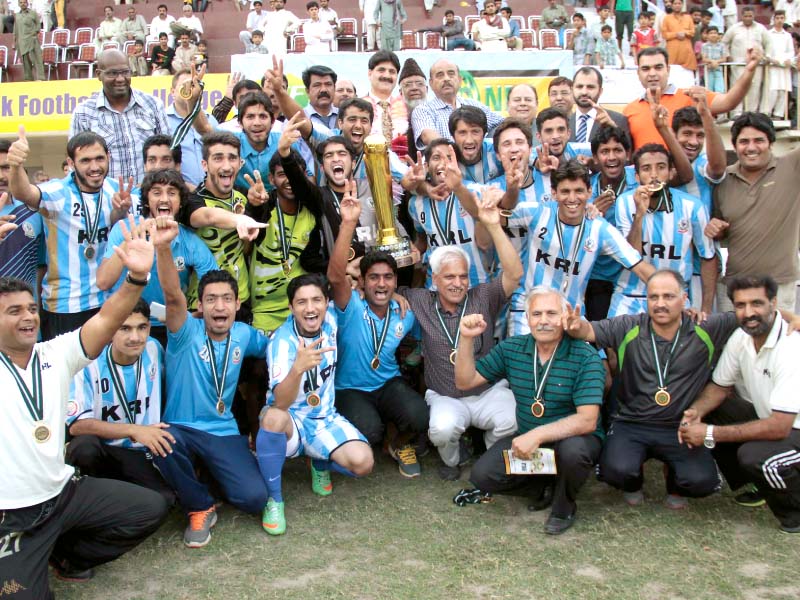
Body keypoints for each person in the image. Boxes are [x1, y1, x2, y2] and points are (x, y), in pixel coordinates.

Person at [0, 222, 168, 597]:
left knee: (150, 508)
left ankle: (68, 557)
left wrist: (137, 276)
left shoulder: (54, 354)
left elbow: (108, 319)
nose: (28, 316)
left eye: (31, 308)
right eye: (14, 311)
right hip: (10, 516)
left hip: (61, 496)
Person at [564, 269, 739, 508]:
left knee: (701, 482)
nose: (660, 304)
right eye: (653, 297)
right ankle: (633, 481)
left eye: (668, 297)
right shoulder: (629, 325)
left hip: (680, 425)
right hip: (632, 422)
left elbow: (750, 315)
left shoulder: (706, 327)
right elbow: (588, 331)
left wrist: (791, 318)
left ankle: (677, 481)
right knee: (616, 470)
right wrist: (575, 327)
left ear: (684, 299)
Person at [152, 229, 269, 547]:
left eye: (226, 299)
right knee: (161, 443)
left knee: (254, 498)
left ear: (237, 302)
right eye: (211, 299)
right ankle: (199, 505)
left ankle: (211, 479)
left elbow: (274, 344)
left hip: (221, 430)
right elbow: (172, 294)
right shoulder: (184, 330)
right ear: (199, 305)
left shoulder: (244, 335)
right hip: (181, 430)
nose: (219, 306)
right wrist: (163, 247)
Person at [458, 287, 606, 535]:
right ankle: (546, 482)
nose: (544, 321)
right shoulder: (512, 349)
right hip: (531, 438)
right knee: (483, 476)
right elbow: (465, 381)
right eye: (537, 314)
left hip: (573, 438)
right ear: (527, 319)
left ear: (564, 317)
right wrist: (465, 338)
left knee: (573, 452)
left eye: (551, 313)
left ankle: (564, 506)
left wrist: (536, 436)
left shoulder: (585, 355)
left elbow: (588, 420)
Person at [400, 198, 524, 481]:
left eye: (463, 276)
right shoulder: (420, 300)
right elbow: (383, 289)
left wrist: (493, 227)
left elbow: (514, 274)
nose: (458, 283)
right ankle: (453, 460)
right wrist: (395, 292)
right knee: (441, 429)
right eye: (449, 277)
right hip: (446, 396)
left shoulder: (483, 296)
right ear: (434, 279)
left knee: (513, 419)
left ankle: (492, 460)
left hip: (486, 392)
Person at [679, 276, 800, 533]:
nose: (749, 313)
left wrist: (709, 434)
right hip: (776, 419)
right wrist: (695, 413)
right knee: (713, 408)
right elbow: (720, 387)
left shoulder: (791, 347)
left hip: (791, 427)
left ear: (774, 303)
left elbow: (780, 427)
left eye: (757, 303)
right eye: (741, 305)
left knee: (757, 457)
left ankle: (794, 514)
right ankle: (757, 486)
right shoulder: (741, 337)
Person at [256, 273, 374, 535]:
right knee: (272, 418)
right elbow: (280, 403)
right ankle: (273, 499)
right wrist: (297, 369)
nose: (310, 308)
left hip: (324, 419)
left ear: (326, 302)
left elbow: (347, 285)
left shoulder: (331, 318)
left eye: (316, 300)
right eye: (301, 302)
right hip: (291, 421)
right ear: (291, 307)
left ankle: (319, 460)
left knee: (364, 463)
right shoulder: (281, 342)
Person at [328, 187, 428, 477]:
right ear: (363, 282)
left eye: (387, 277)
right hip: (350, 388)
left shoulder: (404, 312)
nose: (381, 284)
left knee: (420, 415)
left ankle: (397, 444)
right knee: (369, 431)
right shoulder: (352, 306)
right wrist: (348, 223)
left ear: (396, 281)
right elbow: (335, 277)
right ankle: (373, 435)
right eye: (373, 278)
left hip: (387, 383)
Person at [7, 131, 136, 339]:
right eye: (85, 160)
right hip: (66, 306)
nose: (94, 167)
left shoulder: (120, 191)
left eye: (99, 158)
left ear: (108, 157)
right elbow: (24, 193)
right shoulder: (59, 191)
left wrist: (120, 213)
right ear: (71, 163)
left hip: (109, 302)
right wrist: (16, 165)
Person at [503, 159, 653, 336]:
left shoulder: (600, 228)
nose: (572, 198)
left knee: (593, 362)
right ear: (554, 193)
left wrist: (675, 295)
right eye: (565, 191)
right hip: (527, 311)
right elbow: (492, 216)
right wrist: (507, 192)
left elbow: (641, 268)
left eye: (579, 191)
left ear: (589, 192)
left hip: (571, 316)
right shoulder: (537, 212)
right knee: (522, 363)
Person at [67, 299, 174, 504]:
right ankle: (89, 495)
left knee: (165, 500)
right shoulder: (87, 363)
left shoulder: (154, 349)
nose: (135, 337)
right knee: (84, 447)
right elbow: (77, 426)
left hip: (139, 453)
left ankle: (118, 495)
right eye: (124, 328)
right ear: (109, 331)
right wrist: (133, 429)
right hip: (104, 449)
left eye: (142, 327)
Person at [97, 169, 217, 347]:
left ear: (181, 202)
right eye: (157, 193)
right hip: (126, 322)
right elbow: (103, 282)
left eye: (172, 193)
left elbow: (215, 283)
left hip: (170, 326)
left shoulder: (189, 240)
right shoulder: (124, 229)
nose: (164, 199)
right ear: (146, 200)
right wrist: (130, 240)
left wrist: (194, 314)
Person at [608, 144, 717, 317]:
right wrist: (639, 215)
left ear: (671, 172)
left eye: (660, 167)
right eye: (646, 169)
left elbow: (708, 257)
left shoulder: (693, 207)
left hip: (675, 297)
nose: (653, 175)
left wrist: (706, 309)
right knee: (613, 342)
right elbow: (630, 257)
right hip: (631, 295)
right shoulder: (625, 202)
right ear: (636, 176)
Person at [708, 113, 800, 312]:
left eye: (759, 140)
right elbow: (722, 231)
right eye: (744, 141)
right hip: (735, 288)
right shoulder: (722, 180)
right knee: (733, 344)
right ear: (734, 145)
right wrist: (716, 229)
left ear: (771, 143)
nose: (751, 147)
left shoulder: (792, 167)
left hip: (779, 287)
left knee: (776, 343)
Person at [245, 114, 322, 333]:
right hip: (263, 310)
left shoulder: (311, 210)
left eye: (293, 174)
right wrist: (255, 205)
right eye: (281, 175)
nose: (288, 180)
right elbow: (251, 232)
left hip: (299, 306)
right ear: (271, 179)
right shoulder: (265, 206)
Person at [624, 46, 763, 150]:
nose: (652, 73)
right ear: (638, 73)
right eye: (646, 69)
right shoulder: (630, 110)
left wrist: (749, 71)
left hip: (685, 182)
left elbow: (728, 102)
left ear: (668, 70)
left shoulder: (690, 96)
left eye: (658, 67)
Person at [71, 50, 169, 183]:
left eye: (125, 72)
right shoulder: (83, 113)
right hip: (106, 200)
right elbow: (77, 165)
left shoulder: (153, 105)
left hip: (149, 197)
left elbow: (169, 155)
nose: (120, 79)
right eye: (112, 73)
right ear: (99, 75)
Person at [408, 139, 489, 287]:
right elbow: (422, 240)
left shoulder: (476, 192)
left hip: (475, 284)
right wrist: (412, 250)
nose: (443, 162)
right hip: (436, 288)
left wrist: (457, 187)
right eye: (436, 157)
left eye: (449, 157)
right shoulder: (415, 204)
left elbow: (484, 237)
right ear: (426, 166)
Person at [584, 126, 638, 320]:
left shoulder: (639, 183)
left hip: (631, 274)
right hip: (597, 276)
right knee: (601, 336)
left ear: (628, 154)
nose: (612, 157)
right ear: (596, 158)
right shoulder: (586, 187)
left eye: (618, 150)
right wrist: (592, 218)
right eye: (605, 152)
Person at [411, 59, 504, 151]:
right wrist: (461, 155)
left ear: (459, 80)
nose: (446, 79)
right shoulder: (423, 110)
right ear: (431, 84)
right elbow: (428, 137)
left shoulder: (475, 106)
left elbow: (504, 124)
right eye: (440, 75)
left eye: (451, 74)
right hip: (445, 163)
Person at [0, 140, 44, 291]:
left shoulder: (34, 210)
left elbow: (42, 267)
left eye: (6, 167)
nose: (1, 176)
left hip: (26, 309)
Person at [166, 69, 219, 187]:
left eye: (192, 85)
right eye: (184, 85)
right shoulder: (163, 120)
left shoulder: (210, 120)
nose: (189, 89)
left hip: (210, 194)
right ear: (172, 91)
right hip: (179, 192)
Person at [721, 7, 771, 115]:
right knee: (737, 86)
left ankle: (751, 113)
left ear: (753, 16)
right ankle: (736, 112)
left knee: (754, 86)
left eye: (750, 16)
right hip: (738, 64)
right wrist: (727, 55)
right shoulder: (734, 28)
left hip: (756, 64)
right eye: (746, 16)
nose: (748, 18)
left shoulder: (760, 28)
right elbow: (724, 42)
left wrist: (767, 56)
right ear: (741, 16)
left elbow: (768, 43)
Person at [570, 67, 630, 144]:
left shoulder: (618, 120)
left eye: (590, 87)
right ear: (572, 90)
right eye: (579, 87)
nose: (584, 92)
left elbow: (627, 152)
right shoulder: (565, 122)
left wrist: (613, 128)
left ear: (600, 91)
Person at [363, 50, 409, 152]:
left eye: (392, 72)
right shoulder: (358, 107)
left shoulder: (407, 108)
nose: (387, 76)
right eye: (381, 70)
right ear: (370, 74)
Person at [449, 106, 501, 185]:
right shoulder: (445, 158)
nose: (469, 140)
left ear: (484, 134)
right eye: (462, 133)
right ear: (453, 136)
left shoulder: (498, 150)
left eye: (475, 132)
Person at [765, 10, 794, 119]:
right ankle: (767, 113)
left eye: (782, 18)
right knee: (772, 90)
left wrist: (788, 60)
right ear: (774, 19)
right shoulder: (769, 34)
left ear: (784, 19)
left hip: (784, 67)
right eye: (777, 18)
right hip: (773, 66)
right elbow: (766, 50)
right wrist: (772, 59)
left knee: (783, 90)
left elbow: (790, 51)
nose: (779, 20)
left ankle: (778, 114)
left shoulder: (787, 36)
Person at [13, 0, 43, 81]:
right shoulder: (17, 15)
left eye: (24, 2)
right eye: (21, 3)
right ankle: (29, 79)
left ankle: (41, 78)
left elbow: (38, 24)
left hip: (32, 40)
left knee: (37, 59)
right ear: (18, 4)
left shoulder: (33, 13)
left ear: (27, 3)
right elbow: (15, 30)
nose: (23, 4)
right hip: (22, 41)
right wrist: (14, 42)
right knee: (25, 61)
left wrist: (35, 32)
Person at [303, 64, 338, 130]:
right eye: (317, 85)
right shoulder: (297, 119)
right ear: (307, 91)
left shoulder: (344, 116)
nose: (323, 90)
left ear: (334, 88)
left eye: (328, 84)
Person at [701, 26, 728, 94]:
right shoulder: (704, 46)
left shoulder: (722, 45)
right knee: (709, 90)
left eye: (715, 33)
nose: (713, 35)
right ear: (707, 35)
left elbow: (724, 58)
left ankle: (719, 103)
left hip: (718, 70)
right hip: (709, 70)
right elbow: (704, 58)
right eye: (711, 33)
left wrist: (716, 62)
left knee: (720, 89)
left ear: (718, 35)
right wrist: (712, 61)